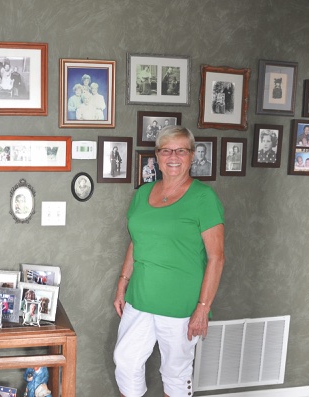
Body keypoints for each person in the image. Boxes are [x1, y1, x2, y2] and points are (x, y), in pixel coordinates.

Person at [113, 125, 225, 397]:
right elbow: (136, 242)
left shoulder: (203, 197)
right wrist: (122, 282)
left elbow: (216, 257)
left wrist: (202, 307)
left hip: (181, 306)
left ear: (191, 155)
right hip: (140, 298)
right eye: (166, 150)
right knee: (126, 362)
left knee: (175, 373)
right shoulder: (142, 194)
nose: (173, 156)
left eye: (181, 150)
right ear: (157, 156)